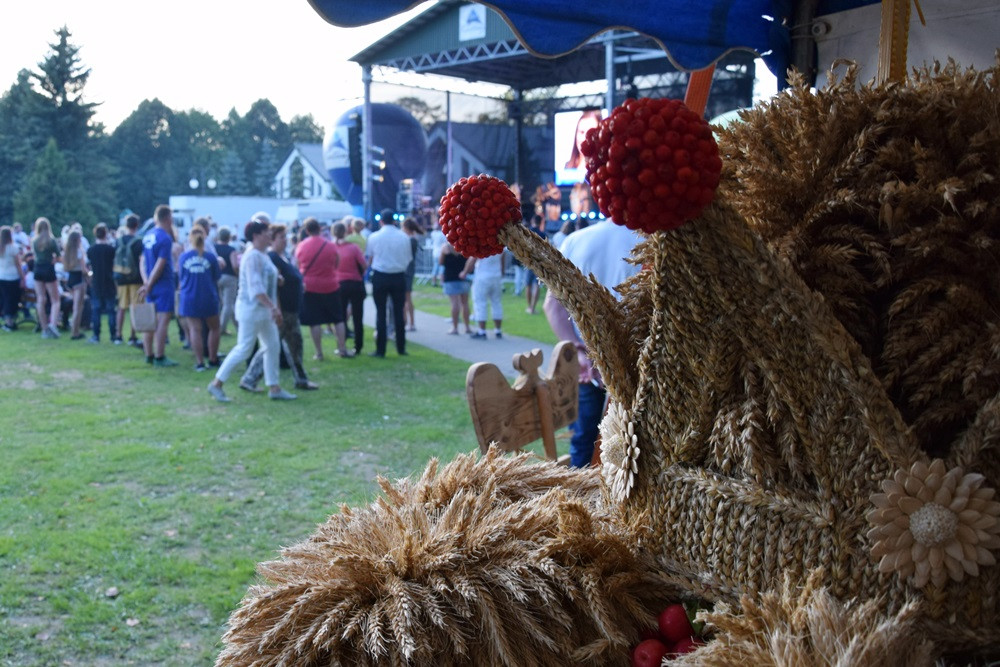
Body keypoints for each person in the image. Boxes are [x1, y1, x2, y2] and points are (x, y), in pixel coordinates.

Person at [544, 218, 642, 467]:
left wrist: (579, 350)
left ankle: (581, 500)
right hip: (637, 368)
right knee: (636, 448)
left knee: (584, 440)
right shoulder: (650, 242)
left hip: (587, 363)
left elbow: (552, 307)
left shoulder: (576, 241)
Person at [207, 220, 296, 402]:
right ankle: (216, 383)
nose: (269, 235)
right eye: (266, 232)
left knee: (272, 346)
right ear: (256, 236)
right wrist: (273, 307)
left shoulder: (261, 255)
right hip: (252, 310)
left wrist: (276, 280)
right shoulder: (252, 256)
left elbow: (264, 278)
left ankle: (274, 387)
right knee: (244, 348)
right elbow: (255, 288)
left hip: (262, 311)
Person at [239, 224, 318, 392]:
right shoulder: (271, 258)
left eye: (285, 237)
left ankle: (300, 378)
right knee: (271, 347)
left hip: (291, 310)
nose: (285, 240)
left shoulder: (282, 257)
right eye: (281, 237)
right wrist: (276, 309)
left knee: (294, 344)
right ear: (272, 239)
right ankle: (250, 378)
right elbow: (271, 287)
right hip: (282, 311)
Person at [295, 217, 351, 360]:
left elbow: (297, 266)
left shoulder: (301, 246)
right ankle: (342, 349)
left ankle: (319, 353)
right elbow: (337, 264)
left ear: (307, 231)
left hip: (310, 286)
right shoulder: (330, 246)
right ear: (319, 229)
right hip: (331, 284)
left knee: (315, 321)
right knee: (338, 318)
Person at [137, 204, 179, 367]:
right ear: (168, 218)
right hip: (162, 284)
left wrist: (146, 282)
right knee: (163, 320)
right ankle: (160, 356)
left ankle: (149, 354)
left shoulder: (148, 235)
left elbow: (142, 261)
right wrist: (151, 283)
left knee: (150, 319)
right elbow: (161, 263)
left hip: (150, 284)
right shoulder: (165, 238)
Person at [366, 211, 412, 357]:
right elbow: (408, 258)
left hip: (380, 276)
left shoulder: (374, 237)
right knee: (398, 312)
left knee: (381, 313)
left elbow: (370, 257)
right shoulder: (404, 237)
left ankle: (380, 350)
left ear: (381, 222)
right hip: (398, 277)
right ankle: (401, 347)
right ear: (394, 221)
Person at [177, 227, 222, 371]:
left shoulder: (183, 258)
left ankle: (200, 362)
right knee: (214, 328)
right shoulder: (210, 257)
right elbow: (217, 277)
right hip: (208, 296)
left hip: (189, 297)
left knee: (194, 330)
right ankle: (213, 359)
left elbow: (181, 278)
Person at [332, 221, 367, 356]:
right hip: (355, 283)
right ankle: (358, 346)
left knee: (340, 316)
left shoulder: (331, 248)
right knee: (358, 316)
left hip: (339, 284)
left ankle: (341, 344)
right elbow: (363, 265)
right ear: (346, 231)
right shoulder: (353, 248)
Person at [113, 214, 143, 346]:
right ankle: (132, 336)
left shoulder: (118, 241)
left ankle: (118, 335)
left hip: (121, 278)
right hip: (136, 278)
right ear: (137, 225)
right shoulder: (139, 242)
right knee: (134, 308)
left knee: (121, 307)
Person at [86, 223, 117, 343]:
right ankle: (113, 336)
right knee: (110, 310)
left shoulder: (91, 250)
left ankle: (96, 335)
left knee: (96, 310)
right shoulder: (111, 250)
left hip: (97, 282)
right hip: (109, 281)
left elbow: (88, 266)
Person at [32, 217, 62, 339]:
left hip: (38, 269)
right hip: (48, 269)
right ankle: (53, 325)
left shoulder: (34, 241)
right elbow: (59, 257)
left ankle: (44, 328)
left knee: (40, 299)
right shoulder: (52, 241)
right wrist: (54, 259)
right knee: (55, 300)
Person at [465, 251, 504, 339]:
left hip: (482, 276)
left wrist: (465, 272)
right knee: (496, 303)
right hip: (496, 276)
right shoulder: (500, 246)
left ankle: (482, 331)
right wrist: (502, 273)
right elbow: (503, 260)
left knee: (480, 303)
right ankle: (498, 330)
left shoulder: (481, 246)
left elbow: (472, 260)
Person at [439, 242, 471, 335]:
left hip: (450, 277)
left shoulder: (445, 247)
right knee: (465, 303)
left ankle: (455, 327)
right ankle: (467, 327)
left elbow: (440, 262)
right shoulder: (464, 246)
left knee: (454, 303)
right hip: (463, 277)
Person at [62, 230, 89, 340]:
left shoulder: (66, 252)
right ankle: (75, 332)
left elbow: (65, 267)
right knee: (78, 307)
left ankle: (75, 330)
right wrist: (90, 274)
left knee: (75, 306)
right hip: (79, 279)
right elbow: (83, 269)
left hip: (71, 279)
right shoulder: (79, 251)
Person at [214, 227, 239, 336]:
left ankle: (237, 326)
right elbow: (235, 265)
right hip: (230, 277)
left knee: (223, 304)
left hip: (217, 276)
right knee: (228, 304)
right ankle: (221, 328)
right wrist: (238, 274)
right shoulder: (231, 250)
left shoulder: (214, 248)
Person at [0, 225, 25, 332]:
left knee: (4, 299)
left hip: (2, 275)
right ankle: (10, 322)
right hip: (12, 277)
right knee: (11, 300)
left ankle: (6, 320)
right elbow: (18, 265)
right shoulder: (13, 248)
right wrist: (22, 277)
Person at [401, 217, 423, 331]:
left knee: (406, 298)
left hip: (407, 270)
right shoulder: (412, 239)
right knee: (406, 298)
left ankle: (409, 322)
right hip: (408, 269)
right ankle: (408, 322)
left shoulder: (411, 240)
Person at [429, 220, 447, 287]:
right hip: (440, 252)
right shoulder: (442, 234)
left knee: (435, 267)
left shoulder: (433, 233)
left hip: (435, 253)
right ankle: (441, 282)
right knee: (442, 268)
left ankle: (434, 282)